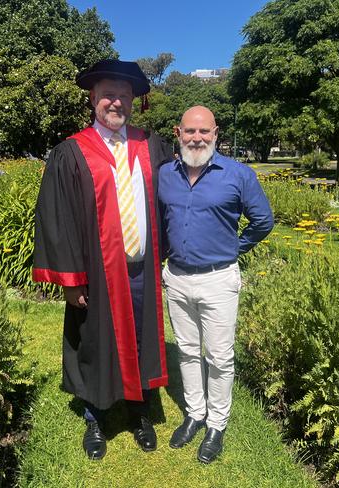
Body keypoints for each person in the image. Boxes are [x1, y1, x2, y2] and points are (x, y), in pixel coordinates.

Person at [33, 59, 173, 461]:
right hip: (96, 270)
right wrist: (72, 279)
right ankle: (95, 416)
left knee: (143, 338)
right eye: (109, 95)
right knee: (94, 341)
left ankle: (139, 410)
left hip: (142, 265)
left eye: (124, 96)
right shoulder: (72, 152)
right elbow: (58, 217)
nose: (116, 102)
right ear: (93, 98)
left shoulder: (151, 146)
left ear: (134, 101)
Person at [158, 106, 274, 464]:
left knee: (220, 357)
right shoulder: (165, 175)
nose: (197, 138)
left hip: (218, 279)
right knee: (188, 350)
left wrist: (232, 249)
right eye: (190, 131)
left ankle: (216, 424)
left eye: (204, 132)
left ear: (216, 133)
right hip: (176, 277)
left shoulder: (237, 175)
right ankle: (195, 413)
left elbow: (263, 221)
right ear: (178, 133)